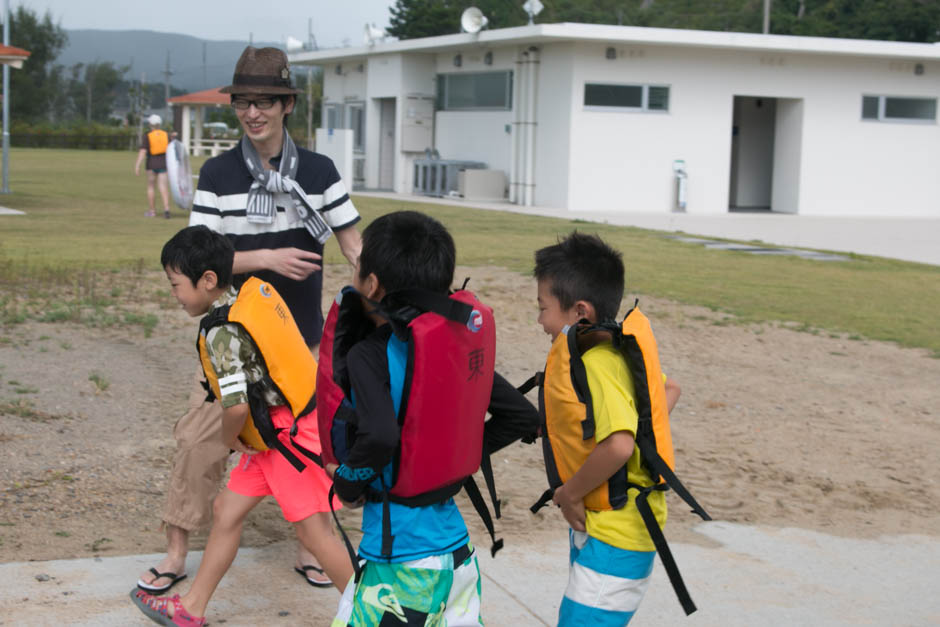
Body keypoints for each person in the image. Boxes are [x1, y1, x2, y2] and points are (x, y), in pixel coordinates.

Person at [137, 46, 362, 595]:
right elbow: (197, 257)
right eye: (243, 102)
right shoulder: (217, 172)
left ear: (287, 105)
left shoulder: (318, 171)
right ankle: (175, 551)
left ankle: (313, 549)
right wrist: (266, 258)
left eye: (264, 101)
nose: (252, 112)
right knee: (199, 442)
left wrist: (390, 286)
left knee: (310, 450)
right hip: (231, 342)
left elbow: (353, 243)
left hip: (302, 343)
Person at [131, 226, 353, 626]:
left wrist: (229, 439)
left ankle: (372, 615)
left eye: (176, 285)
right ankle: (191, 609)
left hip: (287, 441)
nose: (174, 295)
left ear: (208, 280)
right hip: (275, 434)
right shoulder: (250, 295)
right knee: (227, 509)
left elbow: (234, 409)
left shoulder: (223, 333)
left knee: (315, 535)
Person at [326, 210, 539, 626]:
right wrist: (447, 453)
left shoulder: (367, 355)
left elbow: (381, 436)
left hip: (402, 569)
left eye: (357, 264)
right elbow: (521, 416)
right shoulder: (448, 350)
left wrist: (348, 483)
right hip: (456, 559)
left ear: (370, 284)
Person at [532, 232, 682, 626]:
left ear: (579, 311)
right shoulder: (614, 352)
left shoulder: (597, 364)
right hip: (614, 529)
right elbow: (669, 390)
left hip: (614, 535)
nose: (540, 320)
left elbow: (617, 446)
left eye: (543, 307)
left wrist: (569, 493)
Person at [135, 114, 171, 219]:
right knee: (163, 187)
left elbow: (143, 151)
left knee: (151, 187)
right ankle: (166, 209)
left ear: (150, 124)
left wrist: (137, 165)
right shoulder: (166, 135)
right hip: (164, 164)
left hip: (151, 164)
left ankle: (152, 211)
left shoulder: (147, 135)